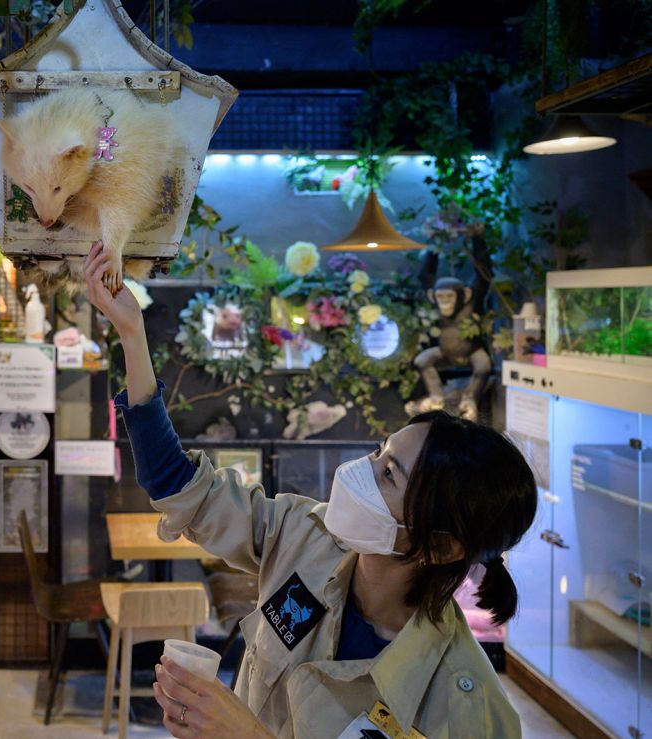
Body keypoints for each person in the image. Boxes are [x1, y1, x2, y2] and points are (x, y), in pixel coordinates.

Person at [82, 244, 538, 738]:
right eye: (378, 452)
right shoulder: (304, 537)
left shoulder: (464, 706)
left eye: (389, 475)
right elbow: (178, 485)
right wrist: (131, 333)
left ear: (441, 545)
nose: (360, 470)